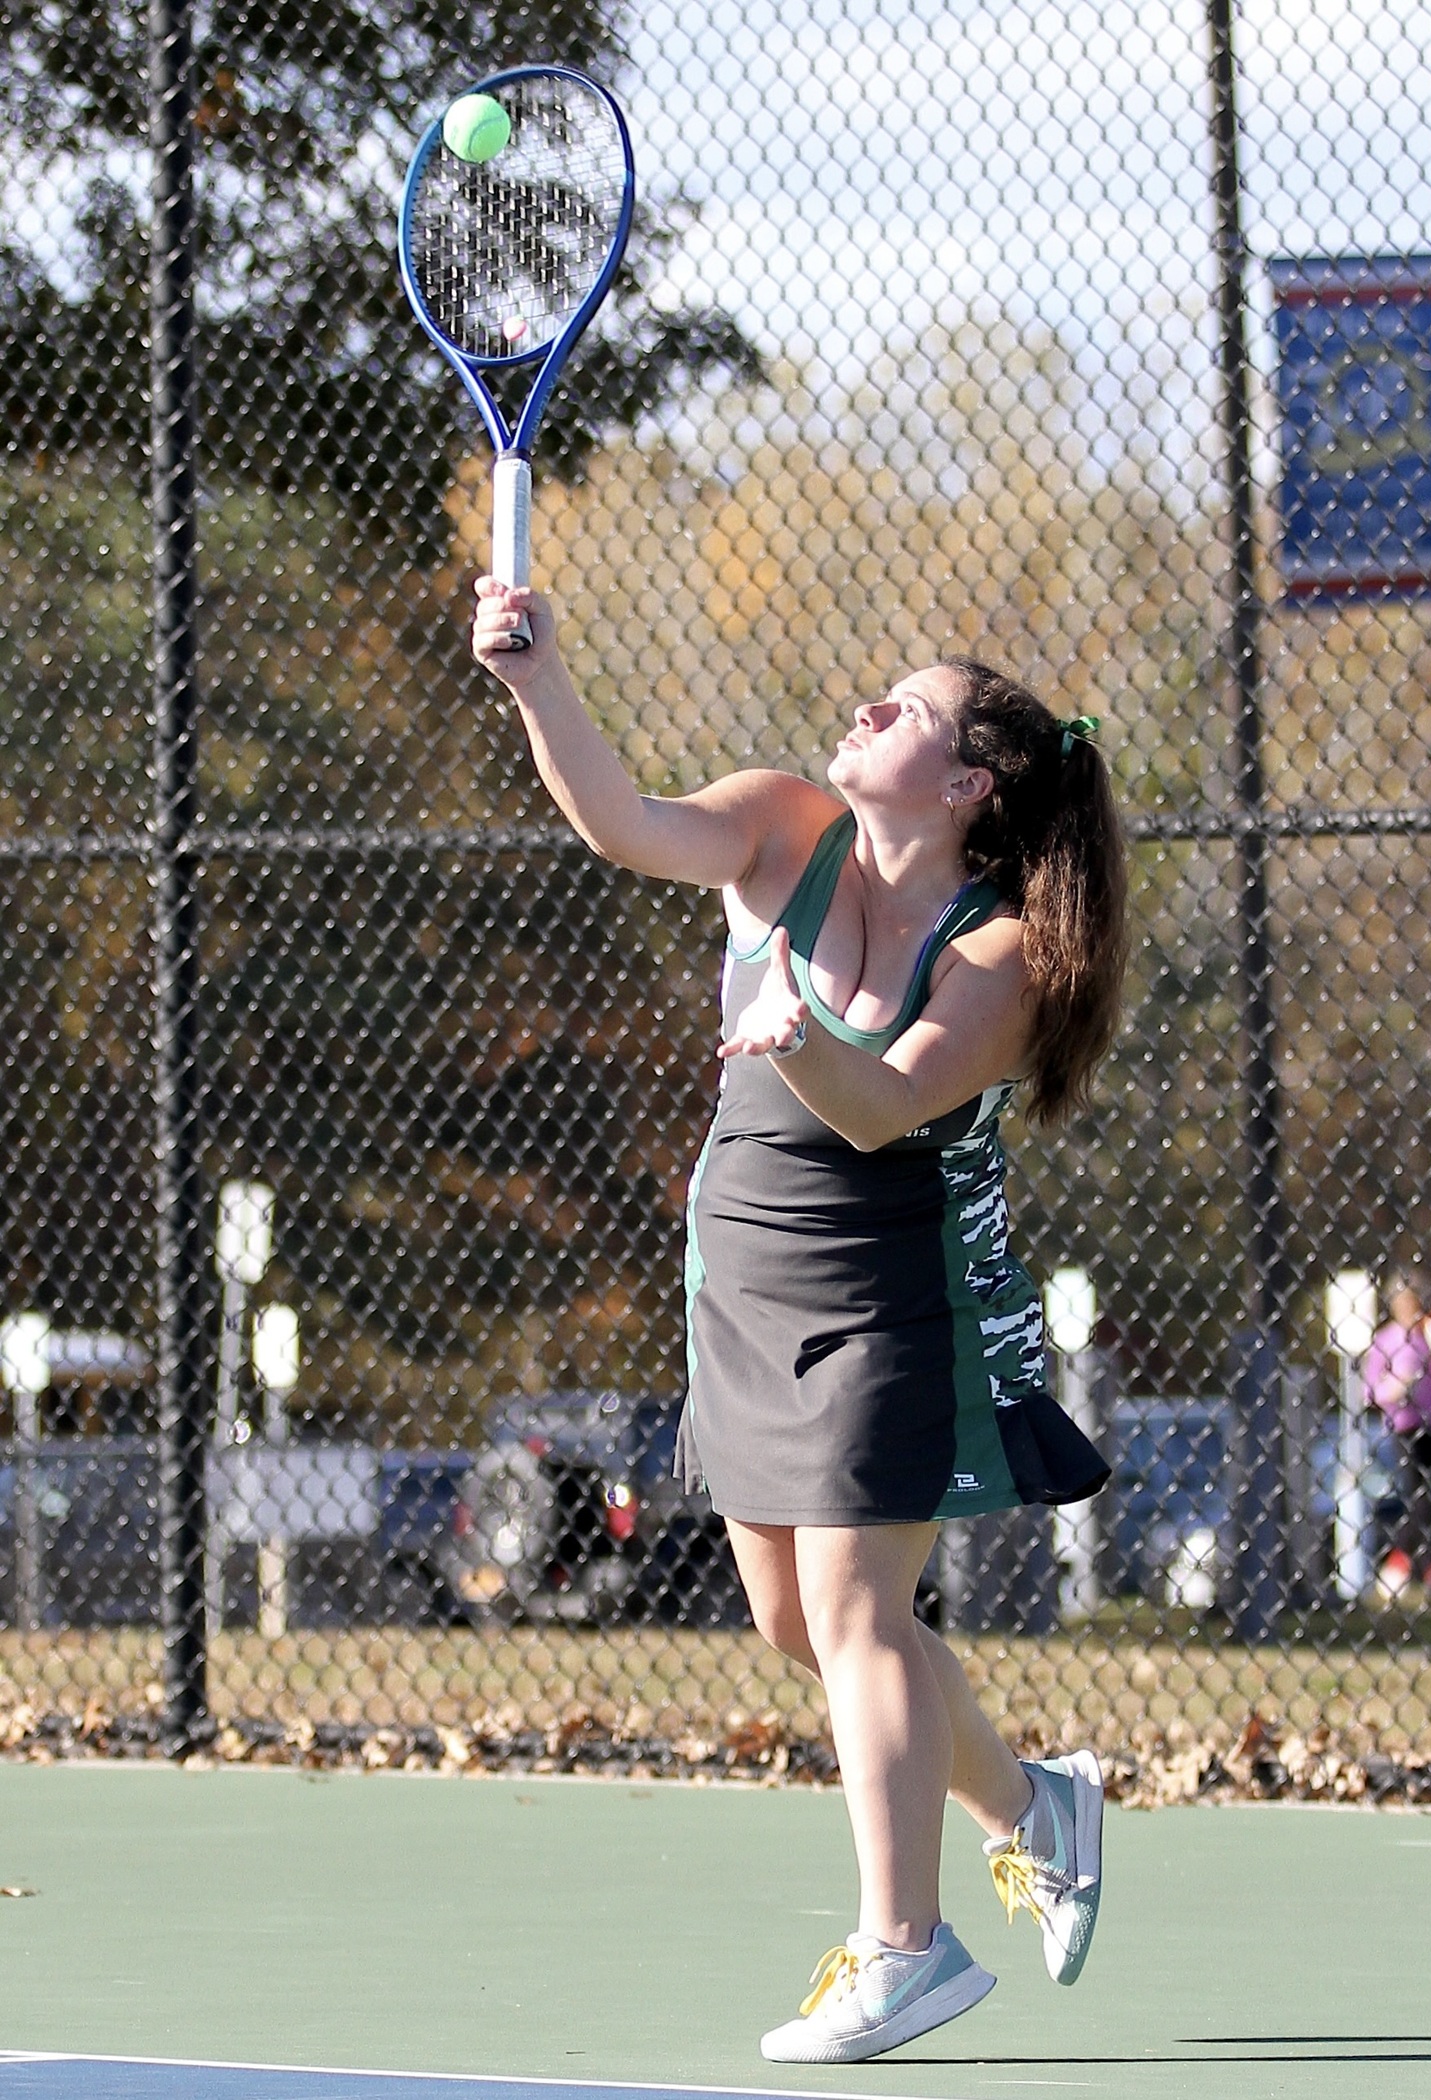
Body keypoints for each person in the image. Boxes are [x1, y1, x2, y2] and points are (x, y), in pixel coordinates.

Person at [471, 577, 1128, 2064]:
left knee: (856, 1611)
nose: (869, 703)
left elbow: (888, 1102)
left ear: (967, 785)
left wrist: (805, 1029)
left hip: (895, 1300)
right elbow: (628, 823)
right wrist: (536, 683)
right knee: (798, 1627)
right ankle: (1038, 1806)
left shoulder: (1000, 953)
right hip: (743, 1284)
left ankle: (909, 1948)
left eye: (908, 705)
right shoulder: (780, 826)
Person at [1363, 1268, 1431, 1597]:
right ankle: (1407, 1565)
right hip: (1403, 1426)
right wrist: (1397, 1386)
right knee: (1417, 1496)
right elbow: (1371, 1391)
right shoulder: (1387, 1339)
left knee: (1429, 1496)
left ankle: (1418, 1566)